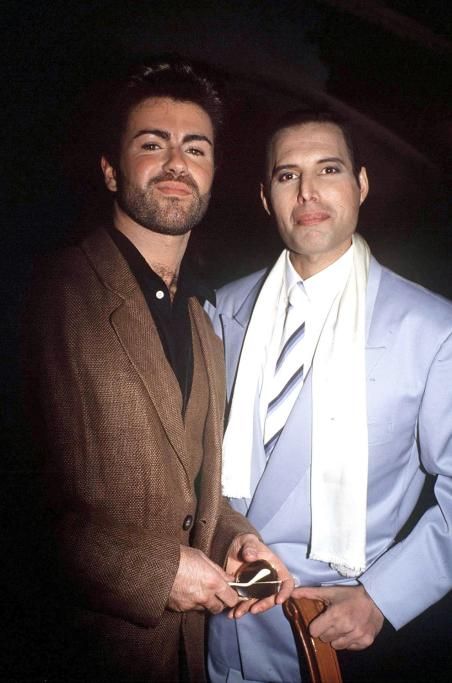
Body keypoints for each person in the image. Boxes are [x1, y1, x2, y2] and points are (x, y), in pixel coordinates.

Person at [23, 57, 293, 683]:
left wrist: (234, 541)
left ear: (213, 173)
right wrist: (157, 571)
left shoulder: (202, 320)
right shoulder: (47, 294)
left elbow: (191, 492)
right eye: (152, 144)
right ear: (110, 169)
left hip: (183, 660)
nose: (177, 162)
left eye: (195, 148)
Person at [206, 109, 452, 683]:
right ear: (265, 197)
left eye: (329, 169)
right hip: (210, 628)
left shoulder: (432, 330)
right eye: (287, 175)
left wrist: (383, 596)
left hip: (325, 634)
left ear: (361, 184)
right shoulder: (220, 309)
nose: (308, 191)